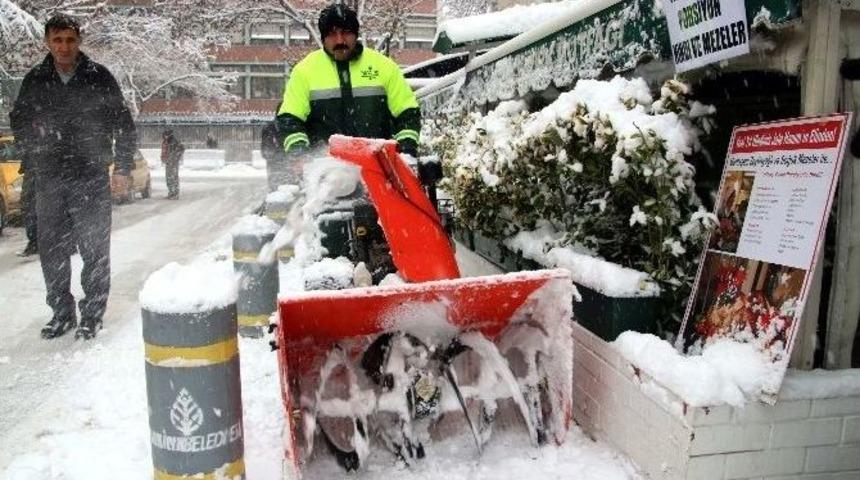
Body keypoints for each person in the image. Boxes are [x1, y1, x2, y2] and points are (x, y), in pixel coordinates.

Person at [9, 14, 136, 340]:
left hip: (90, 177)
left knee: (94, 249)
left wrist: (123, 167)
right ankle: (61, 313)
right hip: (49, 178)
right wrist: (34, 151)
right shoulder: (36, 79)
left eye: (69, 40)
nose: (64, 47)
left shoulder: (99, 77)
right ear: (47, 42)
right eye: (57, 40)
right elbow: (19, 120)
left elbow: (123, 124)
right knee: (52, 249)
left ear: (78, 41)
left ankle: (92, 314)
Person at [276, 3, 421, 165]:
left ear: (356, 34)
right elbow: (289, 118)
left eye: (346, 33)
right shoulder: (305, 71)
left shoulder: (384, 67)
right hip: (325, 171)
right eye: (332, 34)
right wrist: (299, 152)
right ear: (323, 38)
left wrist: (406, 150)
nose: (340, 40)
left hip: (379, 168)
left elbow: (408, 113)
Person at [16, 155, 38, 257]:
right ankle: (35, 244)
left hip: (36, 187)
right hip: (33, 188)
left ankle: (35, 244)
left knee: (32, 217)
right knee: (32, 217)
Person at [161, 129, 184, 199]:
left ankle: (175, 194)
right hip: (168, 162)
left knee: (174, 178)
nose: (165, 136)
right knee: (168, 178)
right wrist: (163, 158)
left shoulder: (174, 141)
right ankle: (171, 192)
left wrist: (175, 157)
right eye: (164, 135)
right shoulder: (165, 141)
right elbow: (164, 151)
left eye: (166, 135)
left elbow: (181, 149)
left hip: (173, 163)